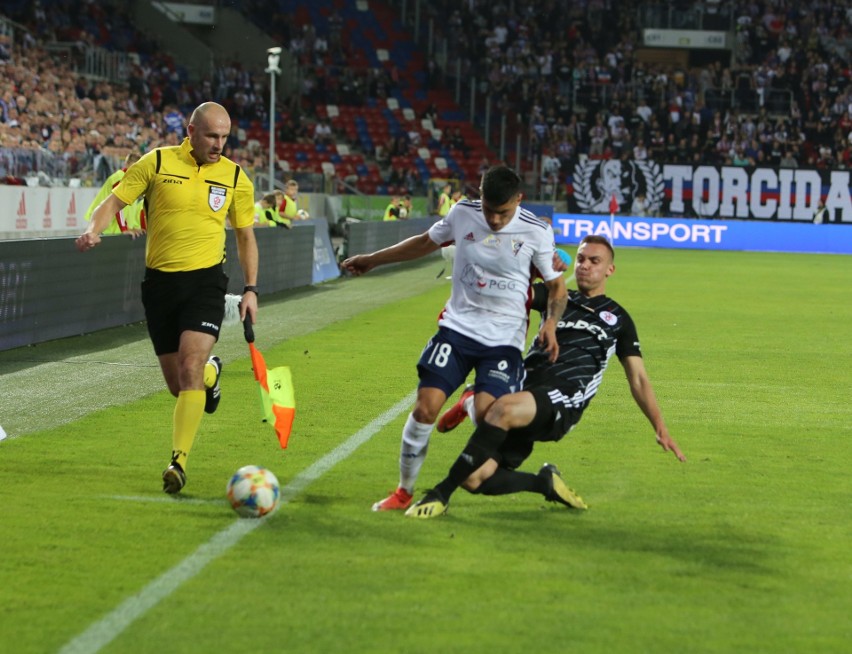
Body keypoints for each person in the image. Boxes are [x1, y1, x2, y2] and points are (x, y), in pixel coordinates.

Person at [406, 235, 685, 518]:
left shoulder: (618, 318)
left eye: (594, 261)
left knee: (501, 409)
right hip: (522, 388)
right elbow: (511, 291)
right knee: (475, 477)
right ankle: (544, 482)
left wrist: (660, 427)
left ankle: (441, 492)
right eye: (581, 259)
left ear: (609, 270)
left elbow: (637, 378)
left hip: (563, 397)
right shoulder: (555, 296)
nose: (585, 266)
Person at [342, 166, 568, 511]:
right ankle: (403, 491)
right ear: (479, 195)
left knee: (487, 418)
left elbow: (556, 287)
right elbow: (423, 243)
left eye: (503, 212)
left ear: (519, 200)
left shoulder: (537, 232)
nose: (493, 219)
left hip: (503, 342)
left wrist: (550, 322)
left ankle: (467, 402)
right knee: (425, 408)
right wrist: (373, 261)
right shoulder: (463, 213)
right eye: (489, 209)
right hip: (457, 329)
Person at [75, 101, 259, 494]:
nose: (219, 144)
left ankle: (178, 462)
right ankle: (212, 373)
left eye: (225, 137)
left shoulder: (236, 177)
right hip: (160, 285)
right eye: (212, 135)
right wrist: (95, 230)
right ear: (190, 131)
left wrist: (250, 289)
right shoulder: (155, 163)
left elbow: (245, 236)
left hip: (206, 283)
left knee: (189, 365)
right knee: (180, 384)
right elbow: (113, 202)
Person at [83, 152, 146, 237]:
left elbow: (128, 209)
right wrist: (124, 229)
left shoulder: (133, 181)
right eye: (133, 166)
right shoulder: (120, 178)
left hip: (115, 229)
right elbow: (116, 205)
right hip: (106, 228)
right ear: (126, 164)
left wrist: (133, 227)